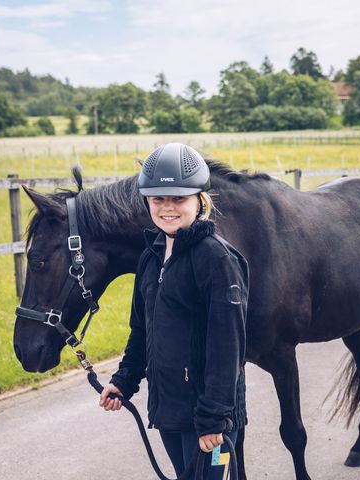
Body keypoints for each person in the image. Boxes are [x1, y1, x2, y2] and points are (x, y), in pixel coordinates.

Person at [99, 143, 248, 479]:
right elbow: (142, 331)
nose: (167, 208)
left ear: (200, 201)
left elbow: (228, 349)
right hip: (169, 410)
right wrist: (125, 380)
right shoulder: (150, 257)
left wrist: (213, 419)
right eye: (158, 199)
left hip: (209, 419)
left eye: (178, 198)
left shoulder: (217, 259)